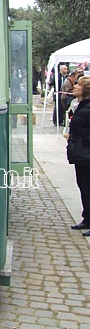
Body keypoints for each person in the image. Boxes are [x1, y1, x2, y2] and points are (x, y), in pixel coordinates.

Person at [67, 76, 90, 235]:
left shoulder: (87, 108)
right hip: (81, 153)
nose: (74, 87)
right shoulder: (80, 106)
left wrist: (82, 140)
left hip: (86, 152)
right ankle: (87, 218)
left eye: (78, 85)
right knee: (83, 185)